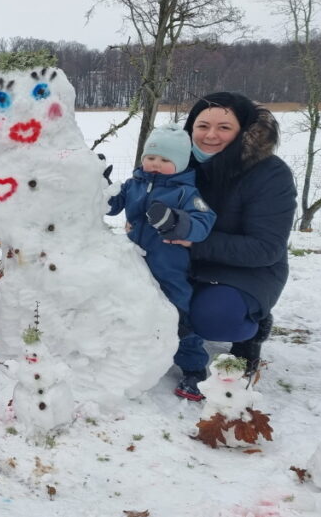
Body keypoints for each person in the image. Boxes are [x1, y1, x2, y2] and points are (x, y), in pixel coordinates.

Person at [169, 92, 297, 399]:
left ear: (244, 130)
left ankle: (251, 330)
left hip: (249, 270)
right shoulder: (178, 163)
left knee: (214, 318)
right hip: (184, 261)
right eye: (202, 126)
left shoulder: (270, 173)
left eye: (224, 127)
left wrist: (193, 242)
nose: (211, 135)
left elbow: (266, 248)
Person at [107, 123, 217, 400]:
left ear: (180, 163)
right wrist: (100, 185)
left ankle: (193, 369)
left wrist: (177, 223)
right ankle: (127, 355)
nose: (156, 164)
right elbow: (110, 206)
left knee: (178, 315)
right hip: (133, 263)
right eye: (151, 157)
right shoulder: (133, 185)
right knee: (127, 307)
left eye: (165, 160)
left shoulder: (186, 193)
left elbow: (204, 221)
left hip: (170, 268)